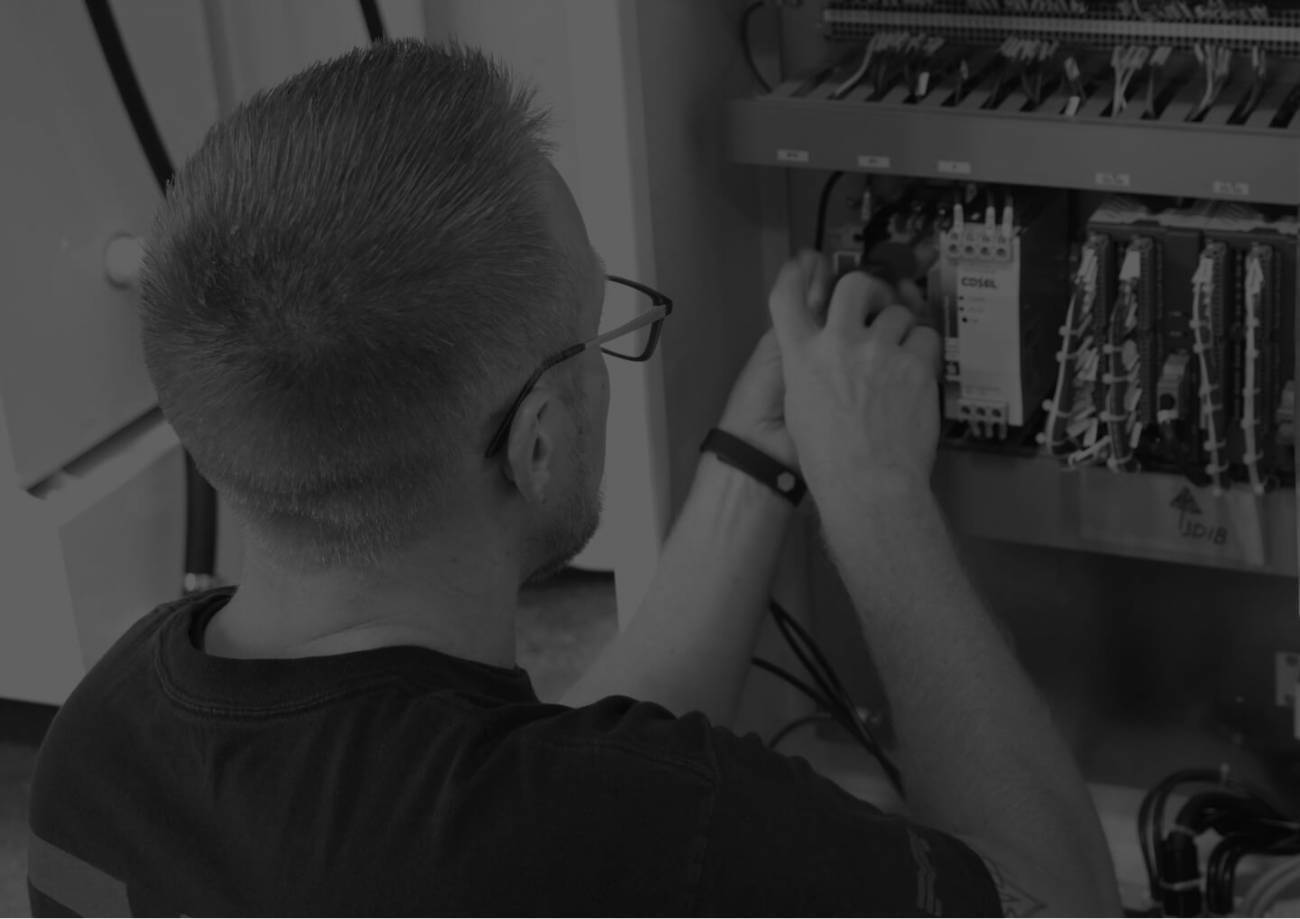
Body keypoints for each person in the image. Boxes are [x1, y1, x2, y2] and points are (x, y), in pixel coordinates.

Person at [27, 39, 1119, 916]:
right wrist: (877, 498)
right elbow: (1056, 903)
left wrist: (758, 468)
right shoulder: (617, 830)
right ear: (537, 439)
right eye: (602, 324)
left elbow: (532, 790)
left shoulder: (98, 744)